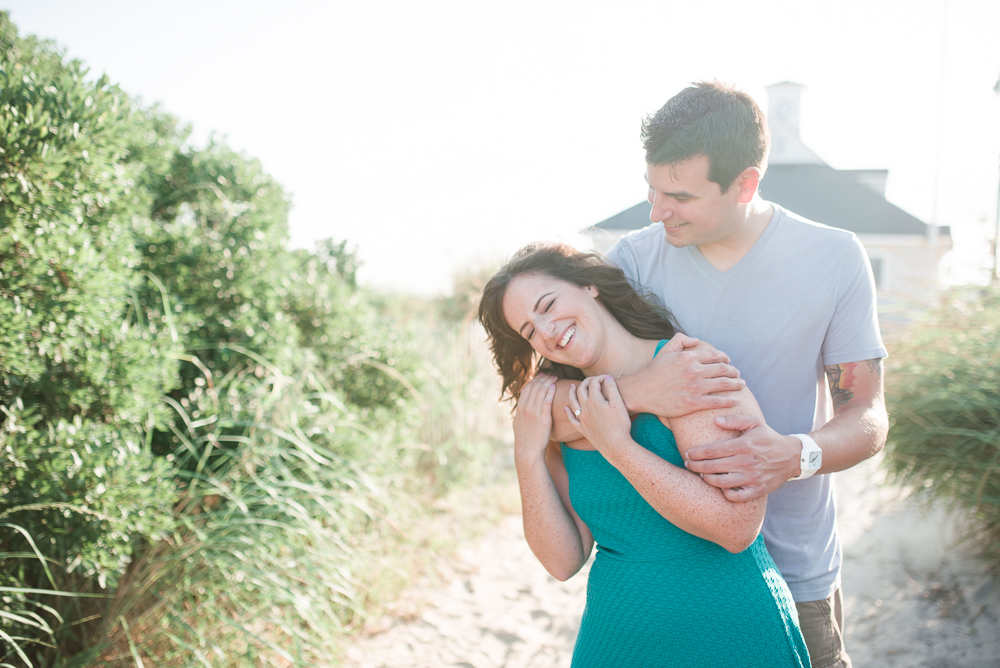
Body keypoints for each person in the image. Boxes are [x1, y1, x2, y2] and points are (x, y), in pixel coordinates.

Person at [546, 81, 889, 668]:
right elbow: (552, 400)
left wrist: (794, 454)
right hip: (676, 575)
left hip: (796, 570)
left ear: (746, 184)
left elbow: (869, 416)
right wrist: (639, 392)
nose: (658, 212)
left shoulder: (834, 257)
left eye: (678, 196)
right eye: (651, 191)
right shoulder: (632, 261)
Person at [478, 243, 810, 667]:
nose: (545, 332)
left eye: (548, 305)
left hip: (726, 623)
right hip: (617, 635)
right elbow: (562, 560)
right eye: (528, 331)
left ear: (589, 286)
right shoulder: (560, 409)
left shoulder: (687, 371)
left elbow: (736, 527)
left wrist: (617, 446)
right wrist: (527, 455)